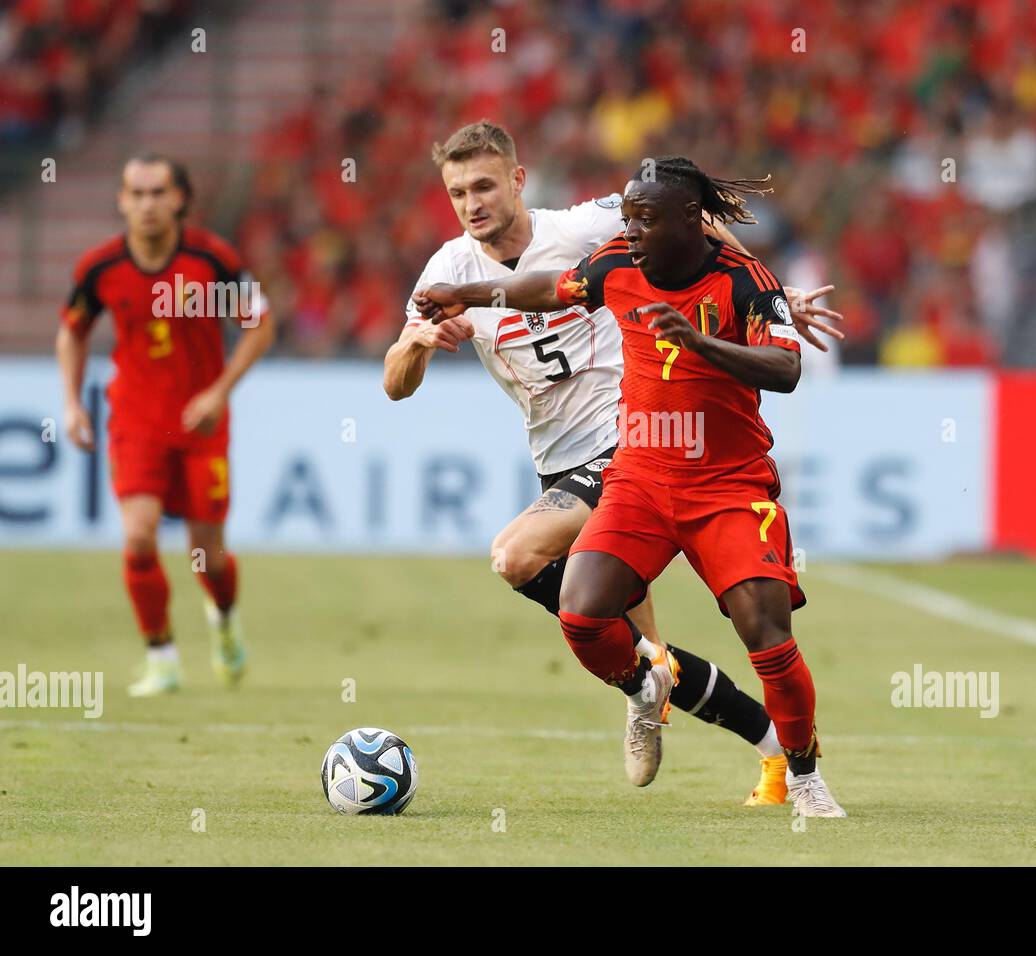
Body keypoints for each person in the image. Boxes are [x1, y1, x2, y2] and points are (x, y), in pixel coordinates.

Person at [386, 122, 842, 800]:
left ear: (517, 179)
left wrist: (772, 300)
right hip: (556, 459)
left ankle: (667, 696)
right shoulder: (449, 270)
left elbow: (701, 226)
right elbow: (395, 384)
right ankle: (770, 748)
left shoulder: (582, 227)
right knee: (646, 657)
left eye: (484, 185)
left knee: (515, 556)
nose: (472, 202)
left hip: (626, 443)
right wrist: (419, 344)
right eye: (457, 192)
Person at [56, 154, 274, 694]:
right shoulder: (101, 269)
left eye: (158, 193)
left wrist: (219, 392)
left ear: (179, 199)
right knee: (138, 536)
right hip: (136, 420)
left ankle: (224, 621)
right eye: (138, 193)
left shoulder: (209, 260)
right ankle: (162, 656)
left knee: (209, 554)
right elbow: (72, 332)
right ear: (122, 201)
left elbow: (260, 325)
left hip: (201, 425)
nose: (148, 204)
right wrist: (72, 404)